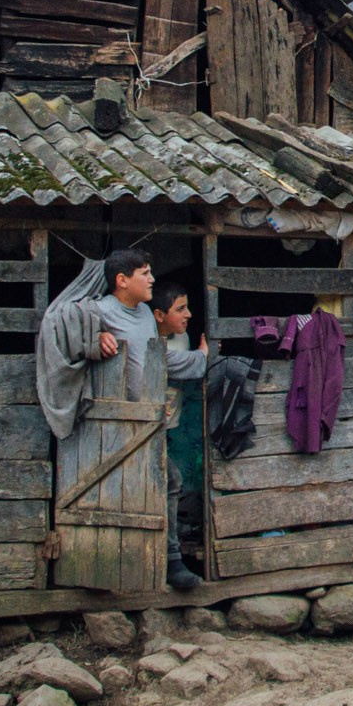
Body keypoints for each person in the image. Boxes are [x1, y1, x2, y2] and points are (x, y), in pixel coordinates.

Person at [95, 250, 208, 589]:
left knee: (165, 481)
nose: (151, 279)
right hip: (114, 421)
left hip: (148, 419)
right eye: (145, 273)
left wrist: (197, 360)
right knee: (132, 488)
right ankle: (137, 566)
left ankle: (164, 564)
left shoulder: (144, 313)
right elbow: (62, 331)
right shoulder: (99, 310)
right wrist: (94, 339)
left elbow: (156, 359)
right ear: (122, 280)